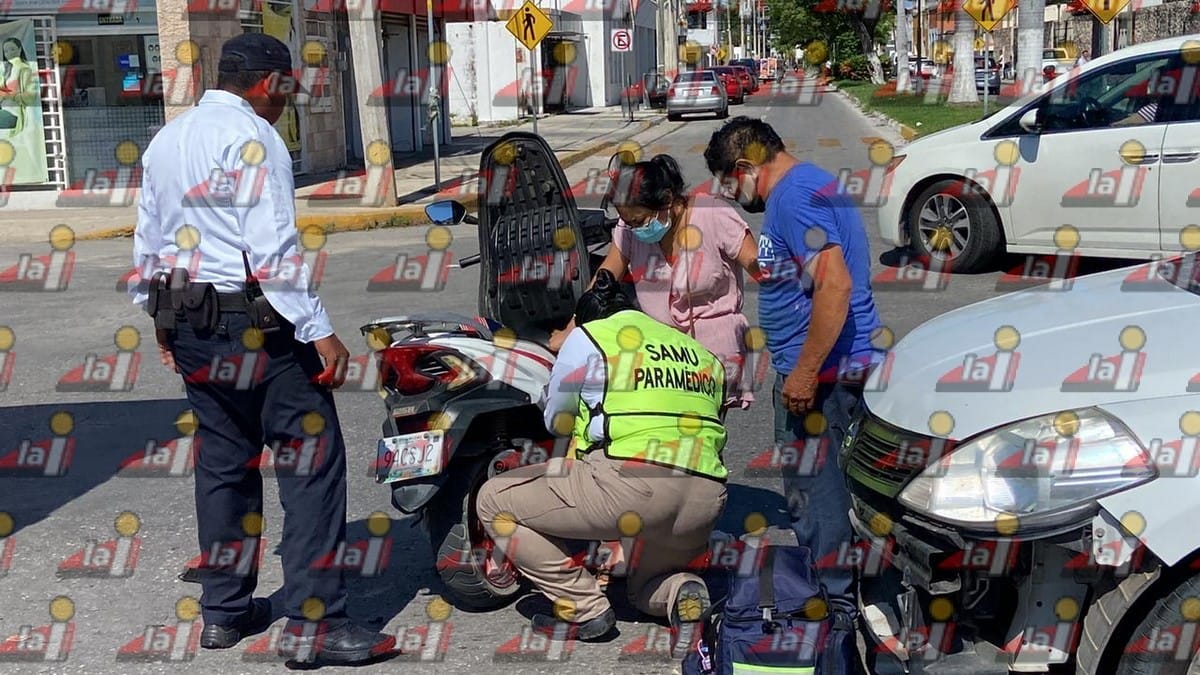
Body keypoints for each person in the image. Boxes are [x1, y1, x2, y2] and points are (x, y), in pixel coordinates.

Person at [130, 33, 394, 667]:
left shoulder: (168, 138)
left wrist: (159, 320)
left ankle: (224, 612)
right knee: (311, 464)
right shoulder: (255, 138)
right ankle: (314, 626)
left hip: (189, 324)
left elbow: (148, 239)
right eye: (288, 87)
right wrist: (318, 328)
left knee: (224, 464)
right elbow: (272, 247)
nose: (288, 100)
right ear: (268, 83)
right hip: (257, 329)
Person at [703, 116, 884, 671]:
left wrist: (804, 374)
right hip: (836, 371)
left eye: (729, 185)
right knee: (840, 500)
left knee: (817, 506)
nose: (731, 196)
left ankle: (834, 627)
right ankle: (852, 610)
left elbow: (835, 283)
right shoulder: (812, 184)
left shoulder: (792, 198)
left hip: (823, 380)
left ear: (745, 167)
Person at [477, 269, 729, 659]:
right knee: (647, 590)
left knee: (494, 501)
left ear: (587, 318)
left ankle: (585, 609)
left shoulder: (589, 336)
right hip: (704, 500)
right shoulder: (699, 352)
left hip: (633, 486)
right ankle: (683, 590)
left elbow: (557, 420)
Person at [549, 154, 760, 413]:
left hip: (715, 354)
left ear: (668, 200)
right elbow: (605, 278)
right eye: (628, 223)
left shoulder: (712, 215)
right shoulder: (629, 229)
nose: (634, 229)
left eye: (639, 221)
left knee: (701, 430)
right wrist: (572, 329)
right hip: (662, 358)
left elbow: (760, 267)